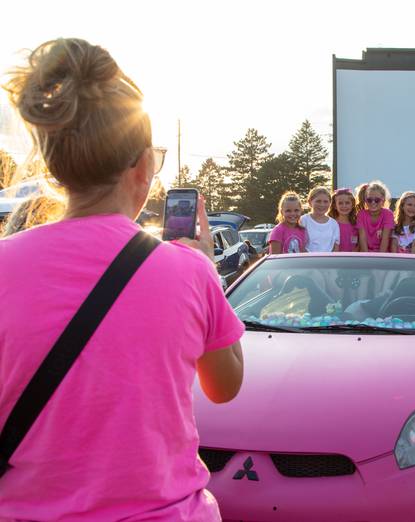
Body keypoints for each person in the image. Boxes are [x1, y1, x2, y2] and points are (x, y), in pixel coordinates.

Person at [0, 38, 244, 521]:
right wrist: (208, 271)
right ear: (144, 165)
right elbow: (225, 384)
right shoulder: (188, 270)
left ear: (52, 168)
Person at [357, 180, 394, 252]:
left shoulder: (388, 214)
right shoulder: (361, 214)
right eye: (369, 200)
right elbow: (362, 239)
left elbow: (385, 239)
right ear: (365, 200)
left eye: (377, 200)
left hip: (383, 254)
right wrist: (366, 257)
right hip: (366, 254)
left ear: (383, 200)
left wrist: (380, 259)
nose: (373, 202)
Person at [300, 186, 340, 252]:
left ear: (330, 203)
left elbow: (336, 247)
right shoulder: (303, 220)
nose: (322, 205)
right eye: (318, 201)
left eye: (325, 201)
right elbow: (300, 245)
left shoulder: (334, 224)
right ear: (310, 202)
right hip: (307, 260)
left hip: (328, 261)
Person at [329, 187, 359, 252]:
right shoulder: (331, 223)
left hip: (353, 259)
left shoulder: (357, 223)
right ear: (335, 206)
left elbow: (359, 244)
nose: (344, 206)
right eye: (340, 203)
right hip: (336, 259)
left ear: (353, 205)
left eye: (347, 203)